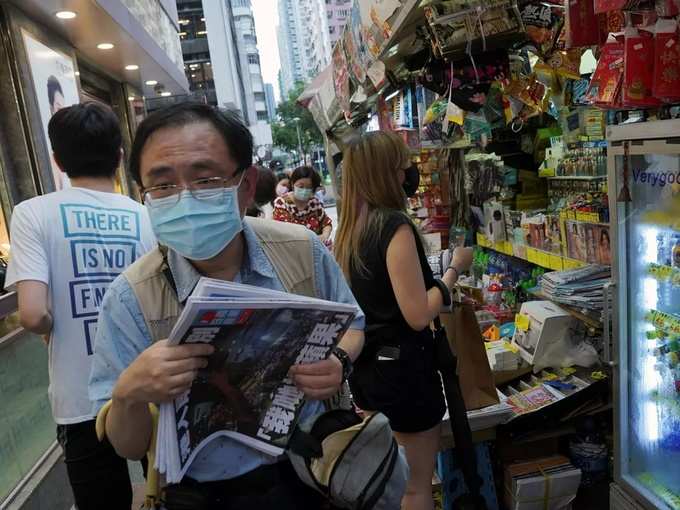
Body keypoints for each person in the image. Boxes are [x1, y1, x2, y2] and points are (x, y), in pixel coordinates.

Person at [88, 103, 365, 510]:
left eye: (206, 179)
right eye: (162, 185)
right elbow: (128, 446)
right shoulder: (130, 298)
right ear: (144, 194)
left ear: (247, 185)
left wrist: (339, 360)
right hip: (200, 496)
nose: (185, 199)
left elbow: (353, 324)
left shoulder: (300, 251)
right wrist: (129, 393)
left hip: (312, 475)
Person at [5, 102, 156, 510]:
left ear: (57, 159)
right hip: (149, 384)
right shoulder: (146, 217)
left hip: (79, 396)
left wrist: (57, 326)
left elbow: (33, 314)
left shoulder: (32, 214)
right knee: (163, 486)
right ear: (120, 156)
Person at [334, 131, 473, 510]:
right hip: (403, 374)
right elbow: (416, 314)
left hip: (370, 372)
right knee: (414, 488)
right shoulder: (393, 226)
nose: (408, 172)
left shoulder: (350, 229)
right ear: (386, 173)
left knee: (392, 482)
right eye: (401, 165)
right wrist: (452, 274)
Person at [273, 166, 333, 245]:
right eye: (301, 186)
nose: (304, 190)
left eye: (309, 187)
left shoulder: (314, 203)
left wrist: (324, 236)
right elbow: (285, 233)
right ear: (292, 184)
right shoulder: (281, 203)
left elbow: (326, 223)